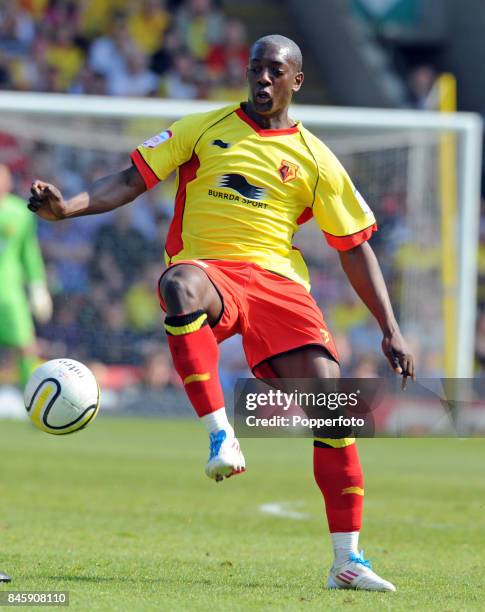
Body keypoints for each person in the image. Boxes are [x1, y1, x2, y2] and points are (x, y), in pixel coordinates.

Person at [28, 34, 415, 592]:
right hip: (212, 270)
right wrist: (68, 210)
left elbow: (353, 246)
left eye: (274, 72)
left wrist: (390, 329)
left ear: (295, 81)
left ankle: (347, 560)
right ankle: (220, 436)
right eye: (255, 69)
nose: (262, 79)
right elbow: (129, 180)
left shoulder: (316, 158)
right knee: (179, 285)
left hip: (281, 287)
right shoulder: (203, 128)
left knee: (334, 405)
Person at [0, 164, 52, 388]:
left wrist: (37, 287)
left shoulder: (19, 212)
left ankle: (31, 397)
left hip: (8, 292)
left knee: (26, 346)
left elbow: (29, 252)